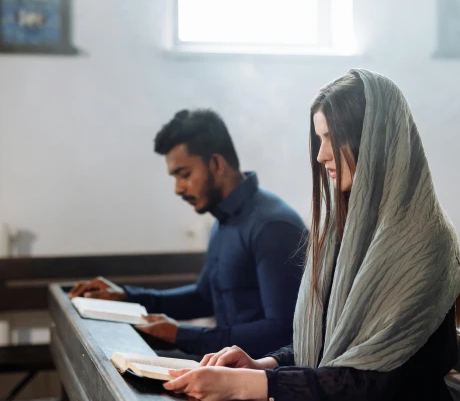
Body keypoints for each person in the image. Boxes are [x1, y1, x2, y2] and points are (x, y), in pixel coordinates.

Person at [163, 71, 460, 401]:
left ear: (375, 140)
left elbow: (359, 386)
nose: (321, 154)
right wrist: (263, 362)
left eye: (332, 139)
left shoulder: (423, 246)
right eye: (319, 138)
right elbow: (329, 346)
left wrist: (243, 384)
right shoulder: (350, 233)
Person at [70, 109, 307, 360]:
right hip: (225, 365)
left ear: (216, 164)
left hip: (262, 382)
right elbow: (203, 297)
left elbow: (283, 331)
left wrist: (181, 335)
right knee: (112, 358)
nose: (178, 189)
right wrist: (126, 296)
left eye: (184, 175)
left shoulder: (271, 226)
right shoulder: (225, 220)